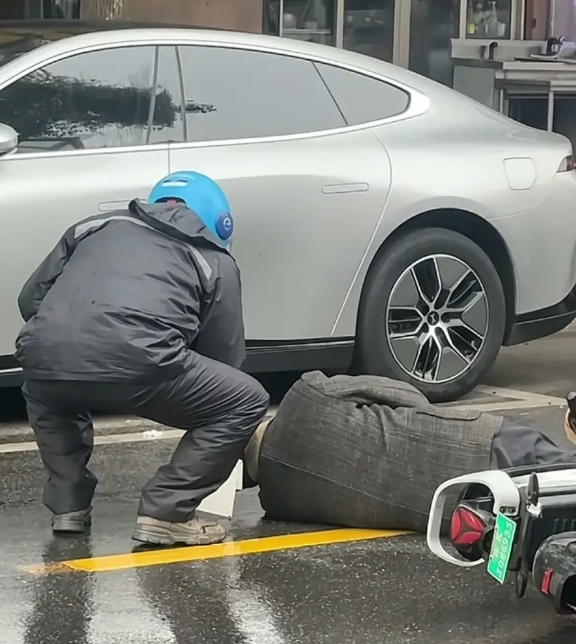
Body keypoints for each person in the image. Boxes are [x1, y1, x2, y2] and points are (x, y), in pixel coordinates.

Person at [16, 171, 270, 546]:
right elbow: (223, 356)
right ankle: (167, 511)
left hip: (44, 356)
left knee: (51, 392)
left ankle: (68, 506)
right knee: (246, 400)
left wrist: (74, 335)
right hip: (142, 362)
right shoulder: (213, 260)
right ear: (219, 220)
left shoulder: (91, 227)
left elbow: (29, 300)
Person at [243, 370, 576, 533]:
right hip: (468, 442)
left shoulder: (277, 503)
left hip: (453, 509)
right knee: (561, 476)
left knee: (548, 509)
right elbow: (402, 393)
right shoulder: (306, 395)